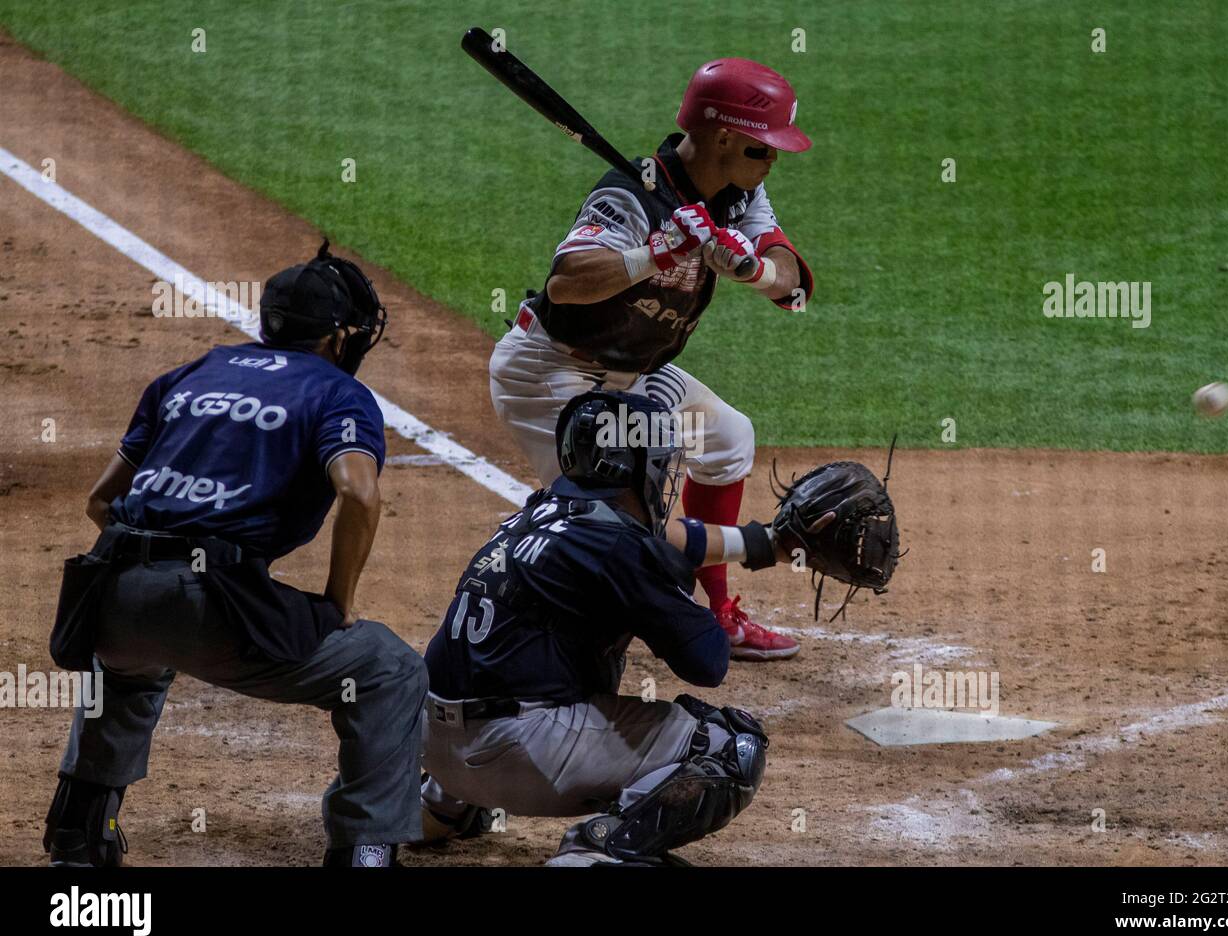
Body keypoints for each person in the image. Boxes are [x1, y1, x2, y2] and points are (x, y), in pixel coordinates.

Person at [42, 242, 426, 868]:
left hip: (104, 600)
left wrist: (152, 576)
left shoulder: (192, 373)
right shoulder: (336, 393)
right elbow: (360, 495)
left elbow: (99, 502)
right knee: (390, 670)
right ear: (336, 337)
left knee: (130, 669)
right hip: (205, 606)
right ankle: (366, 857)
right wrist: (338, 601)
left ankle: (78, 837)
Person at [489, 58, 814, 661]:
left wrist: (749, 267)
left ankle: (717, 613)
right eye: (763, 149)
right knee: (618, 522)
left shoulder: (740, 193)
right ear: (723, 136)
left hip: (636, 371)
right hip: (552, 371)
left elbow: (793, 289)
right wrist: (660, 251)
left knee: (727, 438)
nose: (772, 161)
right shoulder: (629, 194)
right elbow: (566, 283)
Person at [419, 389, 820, 866]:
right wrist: (670, 581)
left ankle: (437, 809)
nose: (664, 476)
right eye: (659, 463)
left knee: (528, 653)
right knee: (730, 746)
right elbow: (708, 662)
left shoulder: (526, 517)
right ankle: (597, 851)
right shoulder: (616, 544)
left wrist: (750, 546)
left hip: (433, 746)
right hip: (519, 753)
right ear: (633, 466)